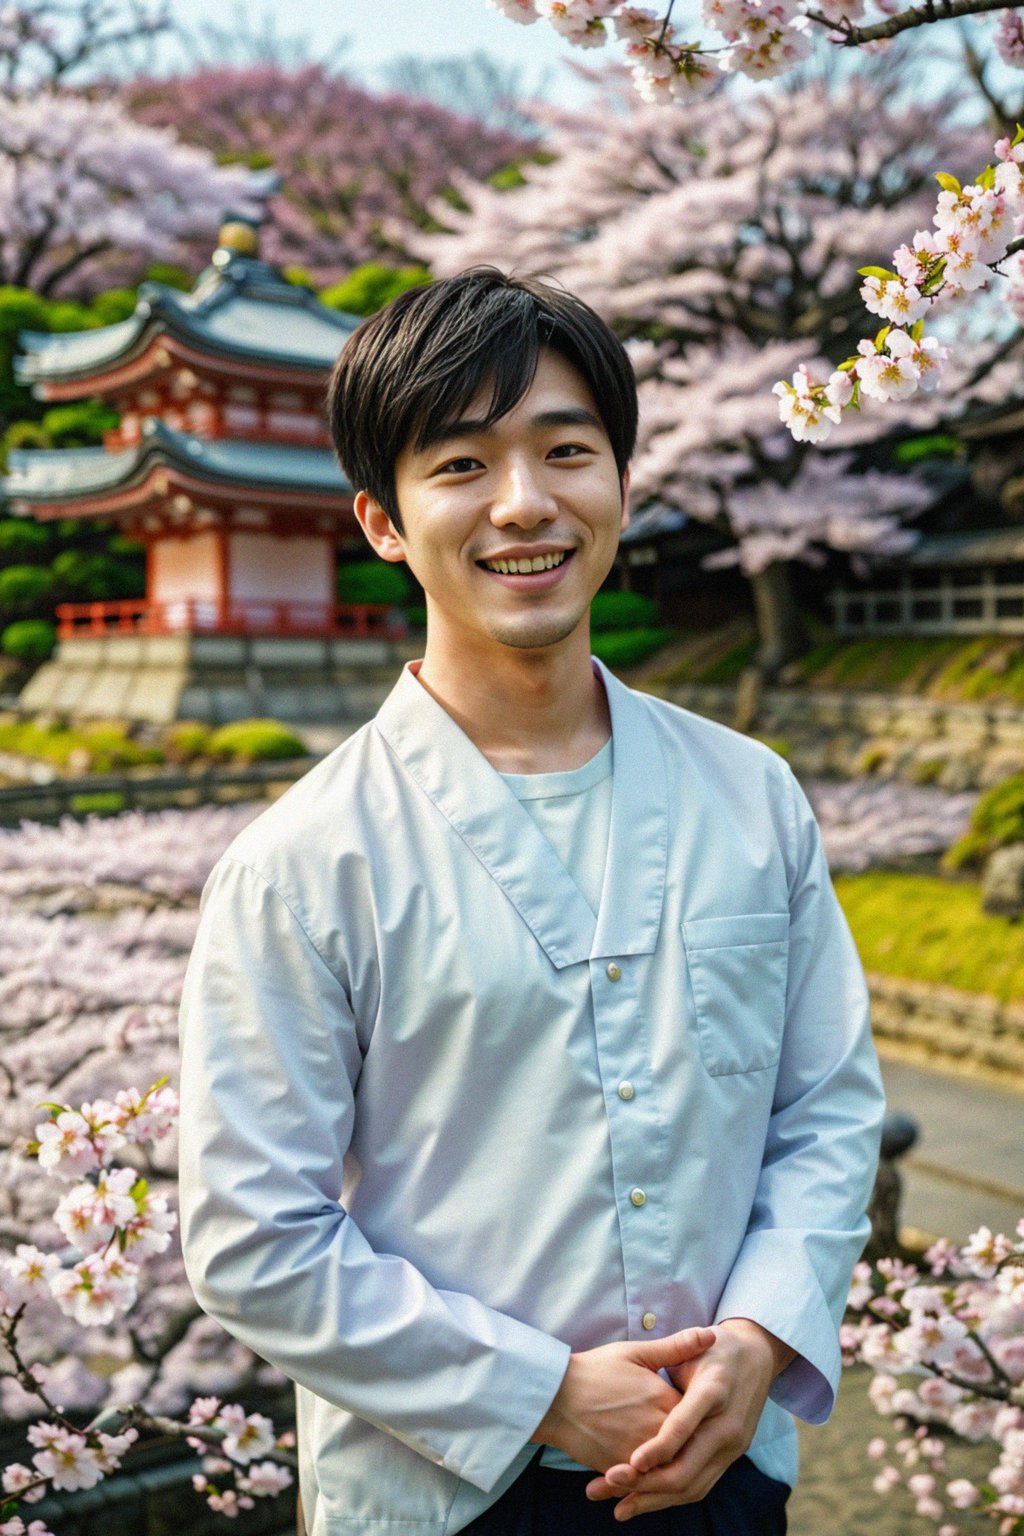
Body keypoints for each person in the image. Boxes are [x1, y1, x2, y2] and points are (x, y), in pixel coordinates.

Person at [178, 267, 886, 1536]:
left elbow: (824, 1105)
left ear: (621, 480)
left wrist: (766, 1334)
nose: (524, 503)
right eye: (459, 463)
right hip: (445, 1493)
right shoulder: (304, 862)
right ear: (383, 521)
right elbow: (251, 1235)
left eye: (567, 450)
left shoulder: (752, 795)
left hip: (727, 1469)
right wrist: (542, 1392)